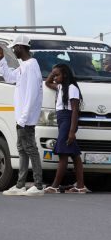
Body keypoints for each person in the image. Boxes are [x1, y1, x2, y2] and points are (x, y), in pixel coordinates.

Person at [0, 37, 45, 196]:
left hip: (26, 118)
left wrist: (23, 119)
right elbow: (9, 77)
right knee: (23, 149)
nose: (13, 50)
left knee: (30, 149)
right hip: (22, 117)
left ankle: (37, 185)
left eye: (14, 48)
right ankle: (20, 184)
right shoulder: (24, 66)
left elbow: (32, 94)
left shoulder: (31, 67)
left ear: (21, 47)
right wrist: (1, 59)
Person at [44, 63, 88, 193]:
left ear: (65, 75)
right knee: (74, 155)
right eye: (54, 75)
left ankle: (55, 186)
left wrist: (72, 131)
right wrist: (53, 73)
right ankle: (80, 186)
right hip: (61, 120)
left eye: (57, 75)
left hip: (68, 121)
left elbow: (75, 110)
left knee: (63, 154)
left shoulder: (72, 88)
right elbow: (47, 82)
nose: (55, 77)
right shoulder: (60, 87)